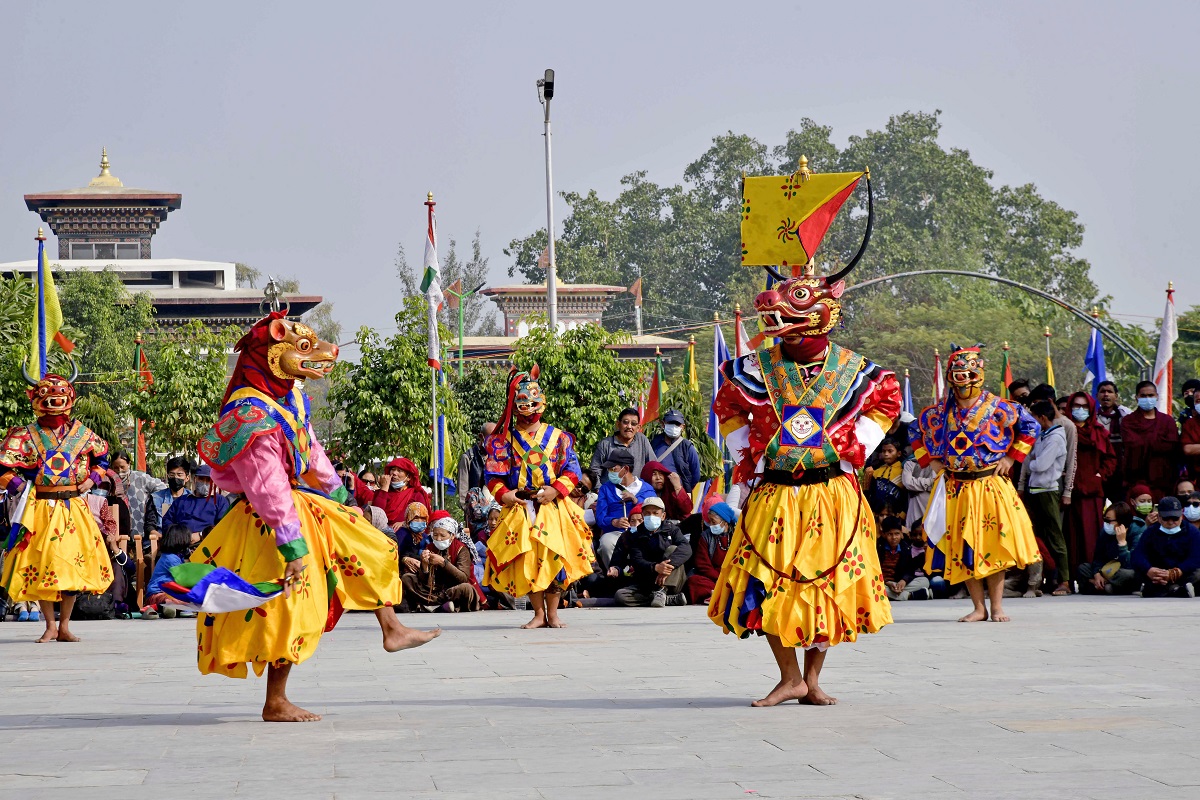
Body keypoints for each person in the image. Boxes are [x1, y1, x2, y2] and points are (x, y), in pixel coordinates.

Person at [188, 312, 437, 722]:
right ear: (274, 354)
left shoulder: (289, 397)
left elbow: (312, 451)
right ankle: (275, 700)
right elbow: (267, 487)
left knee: (372, 544)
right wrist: (294, 546)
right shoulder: (250, 417)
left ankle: (391, 627)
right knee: (289, 608)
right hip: (272, 523)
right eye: (305, 348)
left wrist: (342, 497)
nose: (324, 353)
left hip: (304, 505)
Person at [708, 257, 900, 707]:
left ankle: (812, 680)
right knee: (770, 580)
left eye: (796, 300)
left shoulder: (859, 371)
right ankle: (789, 675)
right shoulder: (750, 369)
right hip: (774, 491)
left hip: (832, 493)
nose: (775, 311)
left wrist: (855, 449)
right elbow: (727, 407)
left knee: (825, 585)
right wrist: (748, 456)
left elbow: (886, 403)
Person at [914, 345, 1041, 622]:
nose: (963, 380)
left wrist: (1011, 456)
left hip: (989, 485)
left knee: (992, 546)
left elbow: (1031, 427)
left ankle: (996, 607)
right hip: (955, 487)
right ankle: (978, 608)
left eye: (968, 374)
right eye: (957, 374)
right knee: (963, 547)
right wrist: (931, 461)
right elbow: (915, 431)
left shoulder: (1000, 407)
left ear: (978, 374)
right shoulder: (940, 411)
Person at [0, 366, 111, 643]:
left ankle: (64, 625)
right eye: (47, 394)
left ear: (69, 396)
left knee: (71, 566)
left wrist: (92, 480)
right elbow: (4, 470)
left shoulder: (83, 434)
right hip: (41, 509)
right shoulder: (25, 435)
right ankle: (49, 624)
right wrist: (22, 486)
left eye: (60, 393)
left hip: (73, 507)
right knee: (45, 565)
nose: (54, 400)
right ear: (37, 399)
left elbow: (102, 462)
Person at [482, 364, 594, 629]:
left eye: (532, 401)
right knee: (529, 560)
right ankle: (538, 614)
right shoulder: (503, 440)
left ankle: (553, 614)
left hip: (552, 506)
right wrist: (506, 495)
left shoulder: (558, 437)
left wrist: (556, 489)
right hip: (521, 506)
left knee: (554, 558)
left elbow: (572, 470)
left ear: (541, 403)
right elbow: (493, 477)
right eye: (521, 402)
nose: (527, 407)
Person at [1019, 399, 1072, 596]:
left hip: (1048, 491)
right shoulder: (1042, 435)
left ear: (1042, 417)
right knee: (1039, 538)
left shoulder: (1056, 437)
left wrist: (1033, 462)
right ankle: (1045, 578)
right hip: (1035, 490)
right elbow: (1030, 459)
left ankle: (1064, 580)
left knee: (1055, 536)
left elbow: (1040, 465)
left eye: (1033, 416)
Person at [1063, 391, 1117, 580]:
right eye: (1076, 406)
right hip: (1068, 492)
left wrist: (1100, 475)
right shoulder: (1064, 429)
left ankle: (1092, 576)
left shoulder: (1099, 431)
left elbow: (1110, 458)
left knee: (1091, 536)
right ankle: (1069, 578)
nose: (1080, 410)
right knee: (1070, 537)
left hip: (1093, 490)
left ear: (1091, 409)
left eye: (1085, 407)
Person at [612, 496, 691, 607]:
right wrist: (655, 567)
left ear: (663, 516)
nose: (651, 516)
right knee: (620, 596)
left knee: (673, 549)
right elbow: (637, 559)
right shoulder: (636, 535)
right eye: (648, 513)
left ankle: (663, 591)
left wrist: (666, 568)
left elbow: (686, 548)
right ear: (643, 515)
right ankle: (666, 599)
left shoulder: (672, 530)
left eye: (655, 513)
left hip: (671, 579)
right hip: (647, 581)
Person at [400, 510, 484, 612]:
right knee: (407, 578)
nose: (438, 539)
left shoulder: (461, 549)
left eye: (442, 536)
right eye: (435, 535)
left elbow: (463, 578)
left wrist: (443, 563)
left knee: (467, 589)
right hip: (434, 590)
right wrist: (425, 566)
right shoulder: (430, 547)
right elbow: (425, 581)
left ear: (452, 536)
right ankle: (440, 605)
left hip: (452, 590)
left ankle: (431, 605)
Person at [594, 449, 657, 566]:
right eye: (609, 469)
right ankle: (614, 576)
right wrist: (614, 522)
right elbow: (600, 517)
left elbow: (654, 512)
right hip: (616, 534)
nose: (610, 472)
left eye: (614, 469)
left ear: (626, 469)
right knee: (606, 543)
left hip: (642, 534)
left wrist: (636, 500)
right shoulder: (606, 489)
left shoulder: (647, 489)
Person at [1119, 380, 1181, 498]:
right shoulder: (1128, 421)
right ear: (1136, 398)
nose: (1147, 398)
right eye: (1143, 396)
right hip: (1137, 479)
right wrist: (1157, 443)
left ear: (1157, 396)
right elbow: (1133, 445)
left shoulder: (1167, 421)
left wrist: (1147, 442)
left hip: (1163, 480)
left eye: (1151, 395)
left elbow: (1172, 447)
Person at [1130, 496, 1200, 597]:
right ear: (1159, 517)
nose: (1171, 522)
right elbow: (1137, 555)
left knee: (1198, 574)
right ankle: (1176, 590)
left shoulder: (1192, 532)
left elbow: (1196, 557)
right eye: (1166, 518)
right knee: (1133, 574)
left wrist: (1177, 572)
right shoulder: (1150, 532)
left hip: (1183, 574)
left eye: (1175, 518)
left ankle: (1170, 589)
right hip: (1157, 575)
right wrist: (1149, 570)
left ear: (1181, 516)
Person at [1028, 384, 1078, 507]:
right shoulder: (1035, 424)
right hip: (1033, 482)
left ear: (1049, 402)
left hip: (1055, 483)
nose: (1033, 407)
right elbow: (1030, 454)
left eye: (1036, 403)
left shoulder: (1067, 425)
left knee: (1053, 524)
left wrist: (1067, 492)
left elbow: (1072, 459)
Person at [1077, 502, 1144, 595]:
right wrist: (1097, 574)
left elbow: (1132, 564)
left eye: (1109, 521)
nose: (1106, 524)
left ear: (1122, 522)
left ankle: (1101, 586)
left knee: (1128, 574)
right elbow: (1098, 557)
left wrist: (1122, 543)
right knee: (1083, 568)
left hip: (1124, 570)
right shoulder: (1105, 531)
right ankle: (1106, 587)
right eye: (1105, 520)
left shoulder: (1138, 531)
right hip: (1109, 569)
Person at [588, 407, 655, 489]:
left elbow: (653, 466)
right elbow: (594, 472)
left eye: (633, 424)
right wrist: (600, 491)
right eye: (625, 422)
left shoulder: (642, 440)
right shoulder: (605, 444)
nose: (629, 426)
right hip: (610, 495)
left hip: (637, 493)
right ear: (618, 424)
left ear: (638, 427)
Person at [112, 451, 165, 552]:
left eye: (122, 467)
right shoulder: (110, 481)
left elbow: (161, 487)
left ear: (129, 464)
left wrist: (150, 501)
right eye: (115, 468)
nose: (119, 471)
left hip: (140, 525)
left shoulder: (140, 477)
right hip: (119, 528)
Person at [686, 501, 736, 605]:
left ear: (725, 522)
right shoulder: (706, 536)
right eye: (710, 522)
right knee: (694, 580)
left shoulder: (736, 536)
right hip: (712, 577)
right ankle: (720, 594)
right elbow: (702, 564)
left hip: (732, 577)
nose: (711, 525)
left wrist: (727, 578)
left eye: (714, 522)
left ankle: (718, 594)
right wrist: (719, 578)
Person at [162, 463, 230, 537]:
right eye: (201, 479)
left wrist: (201, 535)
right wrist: (179, 535)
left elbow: (223, 526)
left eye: (208, 480)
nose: (204, 483)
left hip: (207, 542)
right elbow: (166, 521)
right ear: (195, 479)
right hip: (180, 542)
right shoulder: (182, 500)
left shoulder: (220, 501)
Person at [144, 456, 194, 550]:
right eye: (172, 474)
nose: (175, 478)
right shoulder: (156, 498)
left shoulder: (192, 499)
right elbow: (149, 525)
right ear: (167, 476)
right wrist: (162, 538)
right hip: (161, 543)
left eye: (179, 475)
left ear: (187, 478)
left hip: (187, 544)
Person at [144, 524, 193, 618]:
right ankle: (159, 607)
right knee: (184, 599)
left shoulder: (176, 557)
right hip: (157, 594)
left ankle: (167, 608)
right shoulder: (170, 559)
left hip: (169, 594)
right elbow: (183, 580)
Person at [649, 409, 701, 493]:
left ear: (683, 427)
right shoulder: (654, 443)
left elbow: (696, 475)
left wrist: (683, 490)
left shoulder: (687, 447)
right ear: (663, 424)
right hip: (658, 494)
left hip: (678, 494)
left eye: (677, 424)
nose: (674, 426)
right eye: (670, 423)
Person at [877, 517, 930, 601]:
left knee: (924, 581)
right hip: (883, 583)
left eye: (897, 534)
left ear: (901, 534)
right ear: (884, 534)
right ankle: (909, 595)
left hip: (897, 583)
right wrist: (887, 582)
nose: (894, 537)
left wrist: (903, 581)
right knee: (874, 587)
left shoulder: (905, 548)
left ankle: (893, 594)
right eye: (890, 534)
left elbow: (909, 569)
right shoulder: (878, 548)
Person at [457, 423, 496, 511]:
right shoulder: (468, 458)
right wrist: (470, 511)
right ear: (481, 436)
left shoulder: (499, 458)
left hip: (495, 513)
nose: (494, 441)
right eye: (490, 437)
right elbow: (463, 492)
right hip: (475, 514)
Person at [863, 438, 905, 515]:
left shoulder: (902, 472)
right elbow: (871, 493)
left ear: (898, 453)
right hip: (876, 514)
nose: (886, 454)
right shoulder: (876, 471)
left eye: (890, 451)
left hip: (895, 515)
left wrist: (902, 514)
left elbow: (905, 497)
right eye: (883, 451)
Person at [397, 502, 430, 569]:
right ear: (408, 518)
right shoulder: (401, 534)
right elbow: (393, 554)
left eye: (423, 518)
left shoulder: (425, 537)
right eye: (416, 518)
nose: (419, 521)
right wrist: (404, 559)